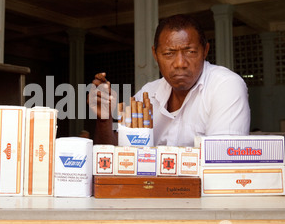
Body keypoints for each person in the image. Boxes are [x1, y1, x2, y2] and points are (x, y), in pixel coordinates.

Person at [88, 14, 250, 146]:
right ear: (155, 55)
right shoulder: (148, 94)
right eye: (168, 54)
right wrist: (104, 120)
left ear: (205, 50)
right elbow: (117, 155)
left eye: (190, 52)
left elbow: (221, 160)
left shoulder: (225, 86)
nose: (180, 63)